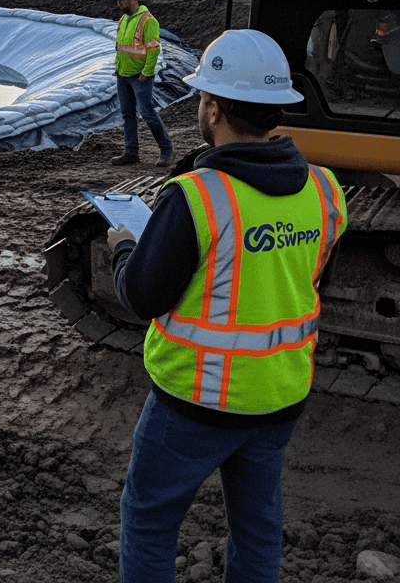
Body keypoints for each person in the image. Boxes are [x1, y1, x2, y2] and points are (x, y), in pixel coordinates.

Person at [107, 30, 347, 583]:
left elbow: (143, 295)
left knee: (148, 522)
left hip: (194, 401)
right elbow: (309, 282)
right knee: (258, 526)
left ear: (212, 107)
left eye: (201, 99)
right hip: (281, 395)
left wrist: (125, 247)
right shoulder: (325, 191)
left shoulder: (197, 196)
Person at [110, 0, 174, 167]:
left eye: (122, 0)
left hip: (140, 77)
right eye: (118, 0)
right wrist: (119, 69)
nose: (119, 3)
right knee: (127, 115)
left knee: (148, 113)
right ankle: (131, 152)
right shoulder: (123, 20)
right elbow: (121, 47)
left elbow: (153, 49)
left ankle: (166, 150)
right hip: (123, 75)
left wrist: (146, 73)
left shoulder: (148, 21)